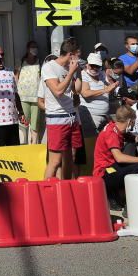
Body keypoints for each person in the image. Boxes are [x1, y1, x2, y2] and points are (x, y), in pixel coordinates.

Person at [93, 106, 138, 209]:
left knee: (130, 168)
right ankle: (132, 204)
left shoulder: (113, 126)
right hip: (104, 172)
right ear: (130, 120)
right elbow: (119, 158)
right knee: (136, 168)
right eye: (133, 122)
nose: (133, 125)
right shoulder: (111, 134)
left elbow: (124, 134)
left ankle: (113, 196)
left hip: (110, 168)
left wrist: (134, 137)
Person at [42, 50, 82, 180]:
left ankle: (66, 188)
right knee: (56, 161)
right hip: (57, 119)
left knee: (71, 157)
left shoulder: (68, 68)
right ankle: (44, 192)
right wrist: (71, 72)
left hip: (71, 117)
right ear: (71, 54)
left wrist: (77, 71)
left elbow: (78, 90)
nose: (79, 59)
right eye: (78, 56)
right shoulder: (49, 67)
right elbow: (58, 91)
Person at [78, 53, 114, 134]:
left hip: (105, 116)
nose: (94, 68)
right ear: (87, 64)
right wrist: (105, 90)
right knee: (92, 142)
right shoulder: (83, 75)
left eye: (97, 66)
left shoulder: (102, 74)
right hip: (91, 117)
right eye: (92, 65)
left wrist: (112, 82)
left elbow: (109, 89)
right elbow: (85, 93)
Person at [16, 40, 44, 144]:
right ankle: (24, 145)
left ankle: (34, 145)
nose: (34, 49)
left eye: (36, 47)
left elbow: (41, 78)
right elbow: (16, 76)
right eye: (32, 47)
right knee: (24, 124)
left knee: (35, 125)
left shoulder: (40, 62)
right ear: (27, 49)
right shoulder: (21, 61)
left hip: (36, 97)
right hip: (23, 97)